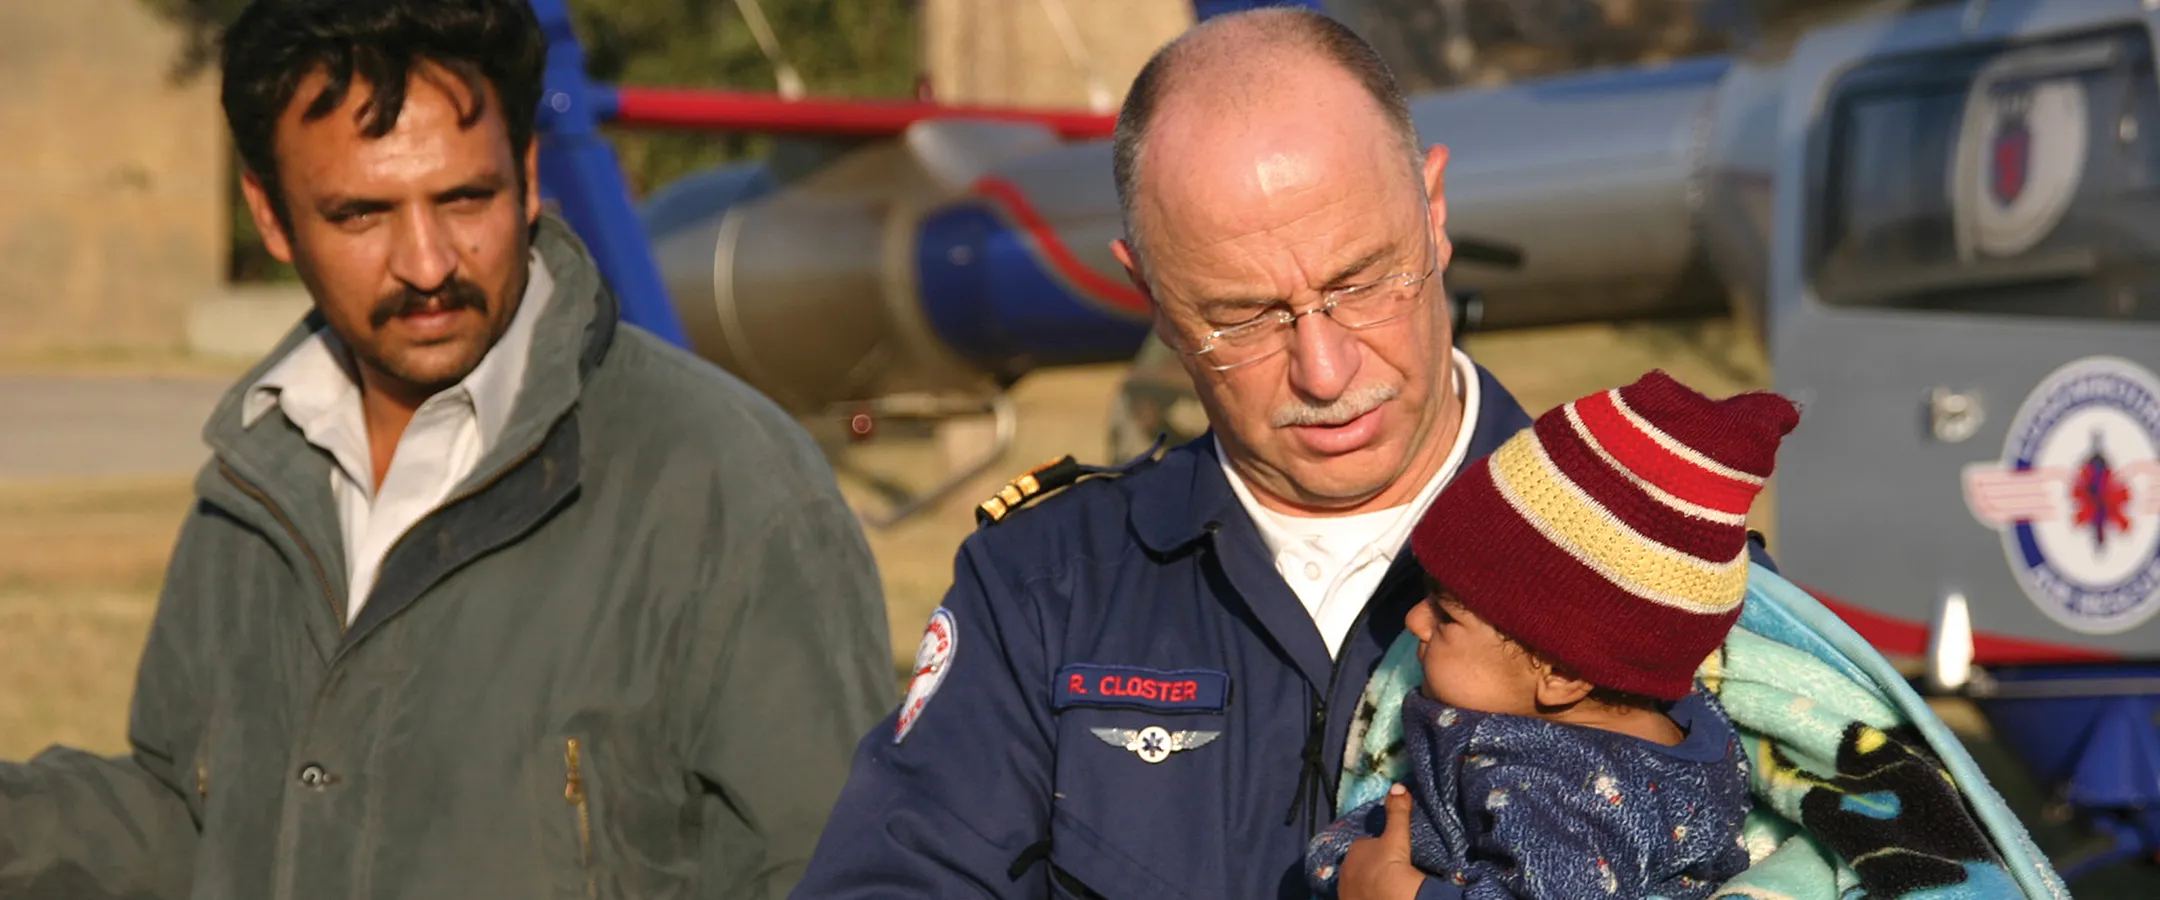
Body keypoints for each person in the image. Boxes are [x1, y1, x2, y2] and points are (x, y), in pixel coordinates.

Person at [791, 8, 1778, 899]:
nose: (1324, 367)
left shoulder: (1659, 571)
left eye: (1362, 282)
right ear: (1152, 299)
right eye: (1243, 317)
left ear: (1434, 212)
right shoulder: (1043, 590)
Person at [0, 2, 891, 897]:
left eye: (466, 198)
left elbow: (842, 870)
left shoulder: (733, 490)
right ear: (269, 215)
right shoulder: (253, 477)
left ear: (529, 175)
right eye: (361, 214)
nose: (427, 265)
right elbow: (193, 820)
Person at [1307, 371, 1794, 899]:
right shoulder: (1680, 724)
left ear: (1560, 673)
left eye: (1446, 616)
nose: (1414, 621)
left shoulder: (1563, 794)